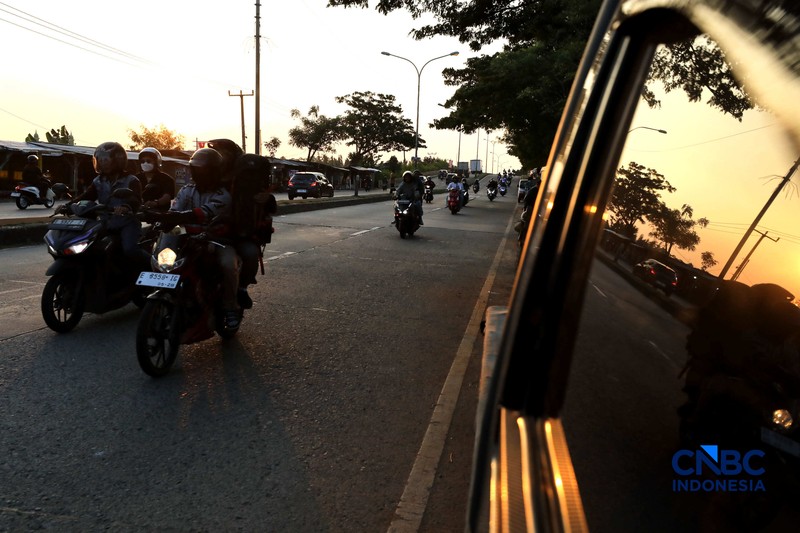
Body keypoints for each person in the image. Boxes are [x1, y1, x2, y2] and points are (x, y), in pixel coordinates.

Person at [151, 147, 242, 330]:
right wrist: (160, 219)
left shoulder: (222, 195)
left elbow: (202, 213)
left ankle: (230, 307)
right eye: (196, 168)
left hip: (216, 240)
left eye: (203, 169)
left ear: (214, 171)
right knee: (163, 260)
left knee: (227, 265)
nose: (199, 173)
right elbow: (175, 210)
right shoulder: (187, 190)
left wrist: (178, 216)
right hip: (188, 240)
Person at [68, 141, 147, 269]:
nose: (102, 162)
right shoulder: (98, 181)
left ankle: (153, 268)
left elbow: (136, 200)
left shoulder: (131, 180)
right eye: (100, 159)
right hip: (106, 223)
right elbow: (87, 196)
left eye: (106, 159)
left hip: (127, 223)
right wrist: (68, 205)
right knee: (86, 246)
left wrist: (126, 207)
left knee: (130, 250)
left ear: (118, 160)